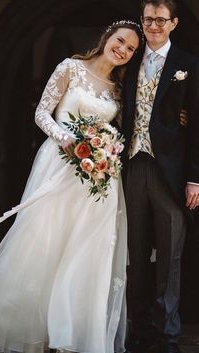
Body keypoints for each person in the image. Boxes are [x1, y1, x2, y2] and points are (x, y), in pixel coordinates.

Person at [0, 21, 143, 353]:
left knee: (87, 251)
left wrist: (107, 148)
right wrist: (68, 139)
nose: (123, 50)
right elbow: (42, 113)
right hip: (58, 164)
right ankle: (28, 325)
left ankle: (72, 333)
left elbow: (128, 127)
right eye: (121, 41)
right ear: (107, 37)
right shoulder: (70, 68)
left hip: (99, 180)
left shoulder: (119, 88)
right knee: (43, 242)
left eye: (131, 49)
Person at [121, 1, 199, 353]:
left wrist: (196, 178)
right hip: (133, 164)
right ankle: (139, 328)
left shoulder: (189, 65)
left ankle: (167, 333)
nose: (153, 25)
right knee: (136, 253)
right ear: (142, 21)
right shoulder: (129, 60)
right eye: (148, 19)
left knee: (170, 255)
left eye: (160, 20)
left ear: (174, 23)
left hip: (172, 170)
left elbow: (197, 125)